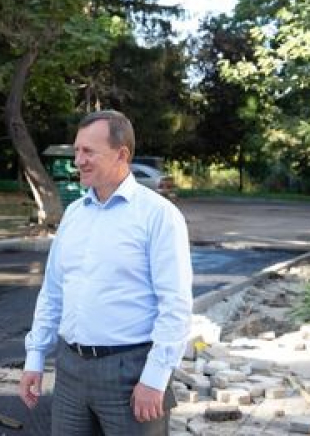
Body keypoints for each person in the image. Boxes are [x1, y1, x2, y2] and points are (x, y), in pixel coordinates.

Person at [19, 110, 193, 435]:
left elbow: (176, 305)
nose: (78, 161)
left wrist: (155, 379)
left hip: (131, 375)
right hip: (70, 372)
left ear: (122, 154)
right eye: (76, 151)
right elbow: (53, 292)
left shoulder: (159, 216)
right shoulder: (74, 214)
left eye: (88, 152)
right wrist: (36, 357)